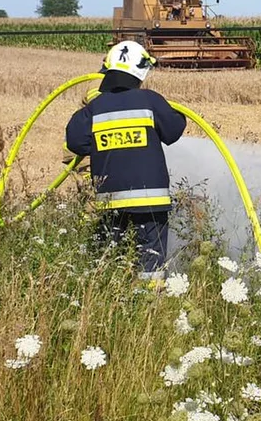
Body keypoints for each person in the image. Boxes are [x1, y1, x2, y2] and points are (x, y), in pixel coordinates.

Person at [64, 40, 186, 275]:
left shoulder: (95, 108)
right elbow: (174, 130)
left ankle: (112, 297)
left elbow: (76, 142)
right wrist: (173, 111)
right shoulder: (150, 101)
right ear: (141, 72)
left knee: (113, 255)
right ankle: (150, 302)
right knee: (151, 256)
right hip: (151, 200)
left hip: (111, 200)